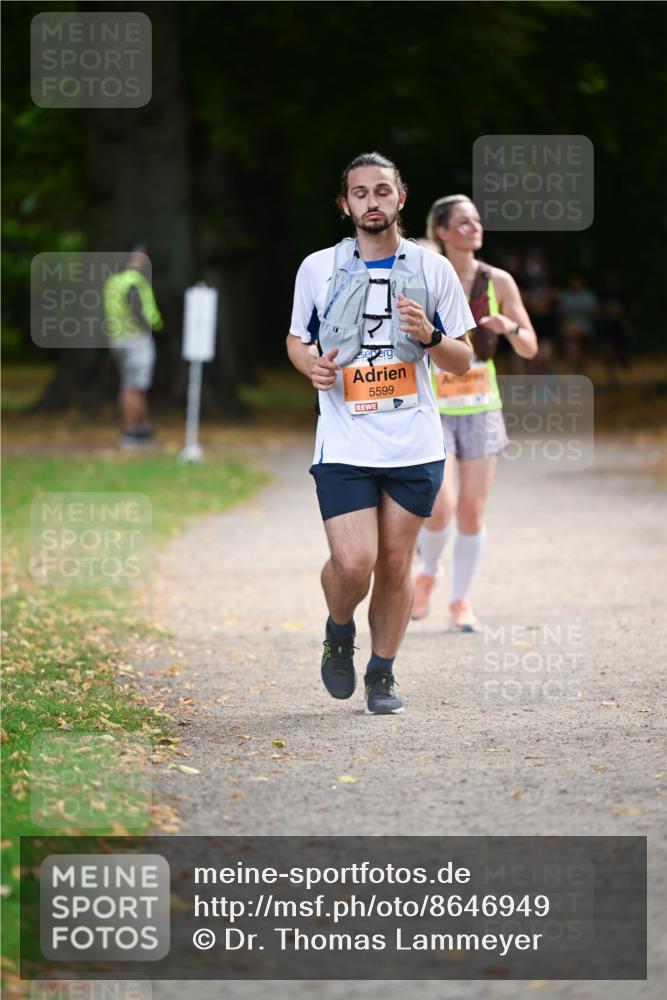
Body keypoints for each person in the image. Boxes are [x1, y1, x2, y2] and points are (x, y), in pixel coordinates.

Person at [286, 153, 474, 714]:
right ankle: (339, 628)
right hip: (344, 441)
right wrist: (311, 366)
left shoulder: (432, 269)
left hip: (414, 442)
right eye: (361, 192)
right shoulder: (317, 268)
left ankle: (382, 674)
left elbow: (461, 359)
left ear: (401, 199)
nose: (373, 201)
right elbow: (298, 339)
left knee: (396, 563)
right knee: (354, 562)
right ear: (346, 205)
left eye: (383, 191)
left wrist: (431, 334)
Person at [412, 195, 538, 630]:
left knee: (472, 511)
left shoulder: (498, 282)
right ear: (442, 232)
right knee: (439, 506)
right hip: (434, 408)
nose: (474, 227)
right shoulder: (426, 278)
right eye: (462, 223)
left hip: (483, 409)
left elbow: (530, 345)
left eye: (477, 221)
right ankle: (428, 571)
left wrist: (511, 328)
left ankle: (460, 603)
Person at [103, 243, 163, 447]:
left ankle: (142, 428)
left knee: (135, 385)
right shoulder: (134, 281)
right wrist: (150, 326)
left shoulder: (113, 282)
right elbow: (138, 309)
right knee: (133, 387)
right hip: (136, 339)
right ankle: (131, 431)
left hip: (117, 339)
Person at [557, 271, 598, 372]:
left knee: (583, 357)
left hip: (585, 329)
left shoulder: (588, 296)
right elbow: (560, 314)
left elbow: (595, 313)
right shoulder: (565, 296)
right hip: (569, 329)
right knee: (572, 349)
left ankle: (581, 373)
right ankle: (574, 372)